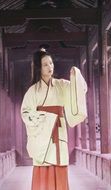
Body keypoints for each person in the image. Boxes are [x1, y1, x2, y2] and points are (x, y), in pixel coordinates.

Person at [20, 47, 87, 190]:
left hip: (59, 131)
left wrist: (76, 76)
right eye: (45, 64)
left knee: (60, 164)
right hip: (42, 133)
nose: (50, 66)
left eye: (51, 63)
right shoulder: (32, 91)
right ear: (39, 68)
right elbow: (25, 113)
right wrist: (45, 118)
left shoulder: (62, 85)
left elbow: (80, 90)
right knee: (43, 168)